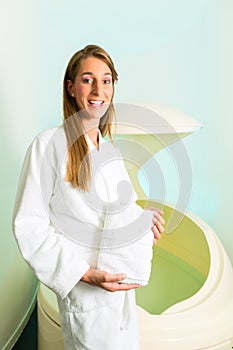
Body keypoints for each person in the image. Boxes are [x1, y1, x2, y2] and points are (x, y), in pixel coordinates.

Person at [12, 44, 165, 350]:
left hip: (121, 292)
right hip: (87, 297)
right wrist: (86, 274)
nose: (98, 89)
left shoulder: (110, 151)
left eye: (106, 80)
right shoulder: (48, 146)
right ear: (70, 87)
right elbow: (30, 227)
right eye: (87, 79)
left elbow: (120, 212)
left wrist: (143, 223)